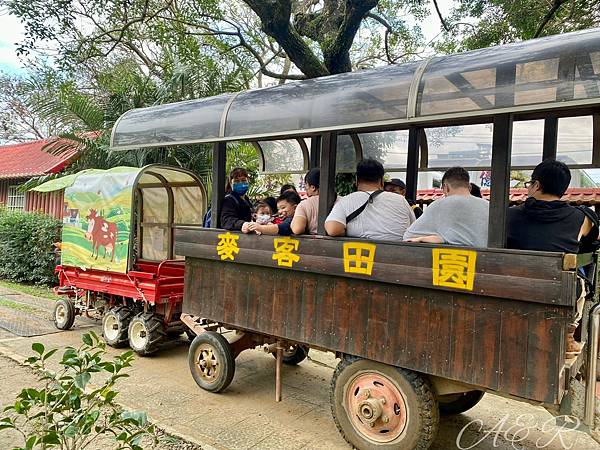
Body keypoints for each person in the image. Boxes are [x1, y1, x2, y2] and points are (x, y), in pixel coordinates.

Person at [507, 159, 599, 358]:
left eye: (529, 184)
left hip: (513, 289)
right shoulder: (580, 219)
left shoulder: (509, 215)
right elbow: (593, 239)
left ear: (537, 185)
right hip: (558, 293)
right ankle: (567, 335)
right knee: (580, 282)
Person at [325, 159, 415, 241]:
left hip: (363, 255)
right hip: (398, 255)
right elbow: (413, 229)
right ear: (381, 181)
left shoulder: (346, 201)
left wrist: (347, 232)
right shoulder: (401, 200)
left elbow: (332, 230)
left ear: (356, 180)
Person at [404, 167, 489, 247]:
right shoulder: (488, 206)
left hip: (451, 260)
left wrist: (440, 238)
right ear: (469, 187)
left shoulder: (439, 205)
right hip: (488, 259)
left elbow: (408, 237)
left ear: (446, 187)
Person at [220, 167, 254, 232]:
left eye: (243, 180)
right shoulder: (229, 200)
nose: (240, 183)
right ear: (230, 183)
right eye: (237, 181)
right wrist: (242, 224)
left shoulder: (247, 200)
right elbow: (226, 220)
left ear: (248, 181)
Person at [291, 168, 322, 235]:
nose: (306, 189)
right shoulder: (341, 201)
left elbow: (297, 229)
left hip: (314, 244)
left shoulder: (304, 205)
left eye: (306, 185)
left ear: (313, 187)